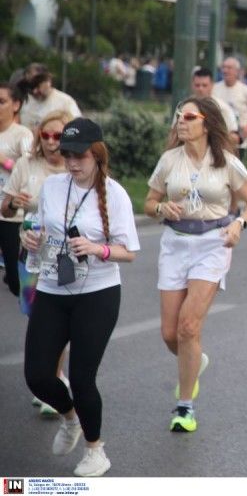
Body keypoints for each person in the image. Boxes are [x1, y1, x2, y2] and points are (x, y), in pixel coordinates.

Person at [22, 118, 140, 476]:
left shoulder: (115, 194)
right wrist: (30, 238)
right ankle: (69, 417)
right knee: (37, 376)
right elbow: (38, 228)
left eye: (81, 156)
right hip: (52, 287)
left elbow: (129, 251)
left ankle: (95, 450)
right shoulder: (54, 186)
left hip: (98, 293)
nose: (73, 163)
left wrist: (97, 248)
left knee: (83, 377)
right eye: (67, 155)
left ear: (97, 154)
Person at [144, 97, 247, 432]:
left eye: (189, 116)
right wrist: (161, 209)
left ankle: (185, 407)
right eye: (178, 115)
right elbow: (150, 200)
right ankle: (195, 358)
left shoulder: (226, 162)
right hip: (174, 245)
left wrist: (239, 224)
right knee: (170, 334)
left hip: (213, 243)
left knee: (187, 327)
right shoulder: (170, 160)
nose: (181, 121)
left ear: (206, 123)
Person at [2, 111, 70, 416]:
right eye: (47, 135)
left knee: (55, 314)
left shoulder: (75, 167)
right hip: (29, 246)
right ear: (39, 137)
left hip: (63, 249)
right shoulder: (27, 164)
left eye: (59, 136)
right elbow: (5, 206)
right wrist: (14, 202)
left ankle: (54, 380)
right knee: (35, 313)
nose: (52, 141)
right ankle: (50, 376)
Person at [0, 83, 34, 295]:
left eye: (1, 102)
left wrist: (5, 162)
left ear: (16, 105)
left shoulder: (21, 134)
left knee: (14, 278)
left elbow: (30, 169)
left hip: (9, 216)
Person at [213, 57, 247, 160]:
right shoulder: (215, 88)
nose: (225, 70)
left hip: (238, 142)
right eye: (224, 67)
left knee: (235, 175)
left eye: (229, 68)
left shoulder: (246, 91)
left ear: (237, 71)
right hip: (218, 139)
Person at [17, 65, 81, 130]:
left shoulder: (65, 101)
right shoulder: (23, 102)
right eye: (31, 86)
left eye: (37, 85)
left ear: (48, 81)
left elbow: (78, 127)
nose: (34, 91)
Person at [189, 67, 239, 138]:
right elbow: (174, 133)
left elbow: (234, 136)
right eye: (197, 85)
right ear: (192, 85)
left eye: (204, 85)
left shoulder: (222, 108)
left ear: (212, 85)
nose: (201, 89)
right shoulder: (184, 107)